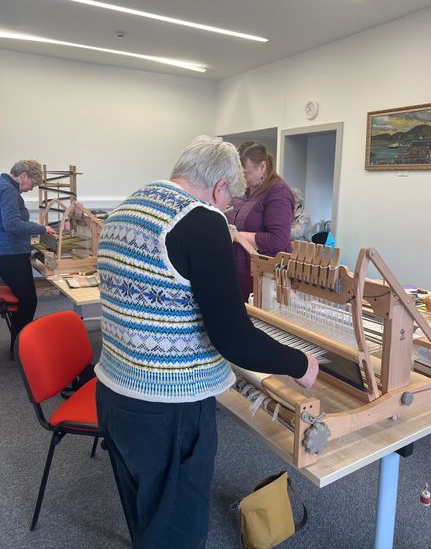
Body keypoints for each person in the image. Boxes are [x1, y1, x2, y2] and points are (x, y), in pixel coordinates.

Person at [95, 135, 319, 549]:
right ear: (218, 186)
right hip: (168, 408)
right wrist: (299, 363)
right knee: (178, 531)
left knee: (146, 516)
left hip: (114, 393)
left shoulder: (127, 208)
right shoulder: (200, 220)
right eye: (229, 199)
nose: (227, 208)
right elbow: (233, 338)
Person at [226, 141, 295, 301]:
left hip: (266, 279)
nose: (243, 178)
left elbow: (278, 239)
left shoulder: (278, 192)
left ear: (262, 167)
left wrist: (237, 235)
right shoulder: (245, 190)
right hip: (239, 275)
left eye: (246, 173)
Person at [0, 160, 55, 340]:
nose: (32, 188)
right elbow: (12, 224)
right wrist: (41, 229)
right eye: (33, 183)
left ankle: (19, 343)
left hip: (8, 252)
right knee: (28, 301)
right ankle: (21, 346)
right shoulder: (8, 191)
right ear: (23, 175)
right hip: (10, 254)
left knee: (23, 298)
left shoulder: (5, 186)